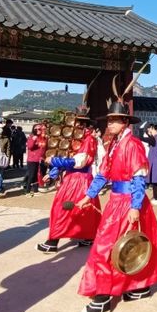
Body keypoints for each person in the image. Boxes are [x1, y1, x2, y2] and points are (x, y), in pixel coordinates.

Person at [74, 97, 157, 312]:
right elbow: (103, 173)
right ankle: (135, 286)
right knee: (117, 246)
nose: (109, 124)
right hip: (115, 202)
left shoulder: (133, 145)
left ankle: (103, 297)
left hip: (129, 202)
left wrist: (135, 206)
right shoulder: (113, 144)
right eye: (108, 120)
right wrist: (89, 195)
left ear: (125, 122)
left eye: (113, 120)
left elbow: (139, 178)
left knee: (107, 247)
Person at [37, 108, 101, 253]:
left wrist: (54, 160)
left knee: (63, 208)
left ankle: (53, 242)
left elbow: (78, 162)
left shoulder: (88, 139)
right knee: (81, 210)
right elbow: (65, 156)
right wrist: (53, 172)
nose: (77, 125)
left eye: (81, 123)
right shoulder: (74, 139)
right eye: (77, 122)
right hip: (73, 178)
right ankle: (89, 236)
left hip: (79, 180)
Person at [24, 124, 46, 195]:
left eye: (39, 129)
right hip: (32, 159)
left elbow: (44, 148)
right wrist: (33, 139)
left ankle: (35, 189)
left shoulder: (43, 138)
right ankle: (27, 190)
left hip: (39, 159)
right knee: (31, 175)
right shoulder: (31, 137)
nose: (37, 130)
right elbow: (29, 147)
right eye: (35, 129)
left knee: (37, 174)